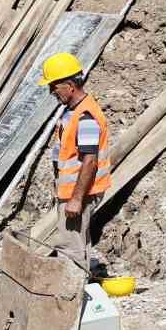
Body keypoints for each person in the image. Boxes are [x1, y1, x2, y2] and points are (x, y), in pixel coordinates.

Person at [39, 53, 112, 270]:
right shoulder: (74, 112)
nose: (51, 92)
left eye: (54, 86)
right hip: (71, 191)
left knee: (71, 249)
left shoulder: (85, 117)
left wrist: (76, 199)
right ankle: (78, 291)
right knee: (78, 243)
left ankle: (68, 298)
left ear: (70, 85)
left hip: (77, 193)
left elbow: (90, 161)